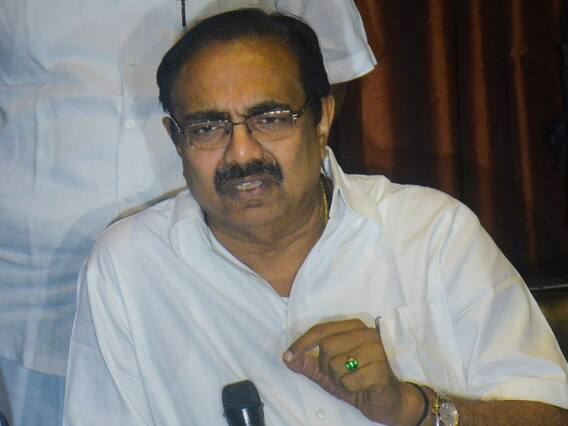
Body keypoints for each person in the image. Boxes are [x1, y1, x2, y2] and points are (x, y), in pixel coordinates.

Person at [63, 8, 568, 426]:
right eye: (207, 127)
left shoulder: (431, 234)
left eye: (270, 118)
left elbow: (551, 414)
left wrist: (413, 408)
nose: (242, 152)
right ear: (176, 139)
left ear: (322, 117)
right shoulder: (129, 267)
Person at [0, 1, 375, 425]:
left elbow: (332, 68)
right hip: (33, 293)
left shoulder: (425, 229)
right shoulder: (116, 259)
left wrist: (258, 187)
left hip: (225, 272)